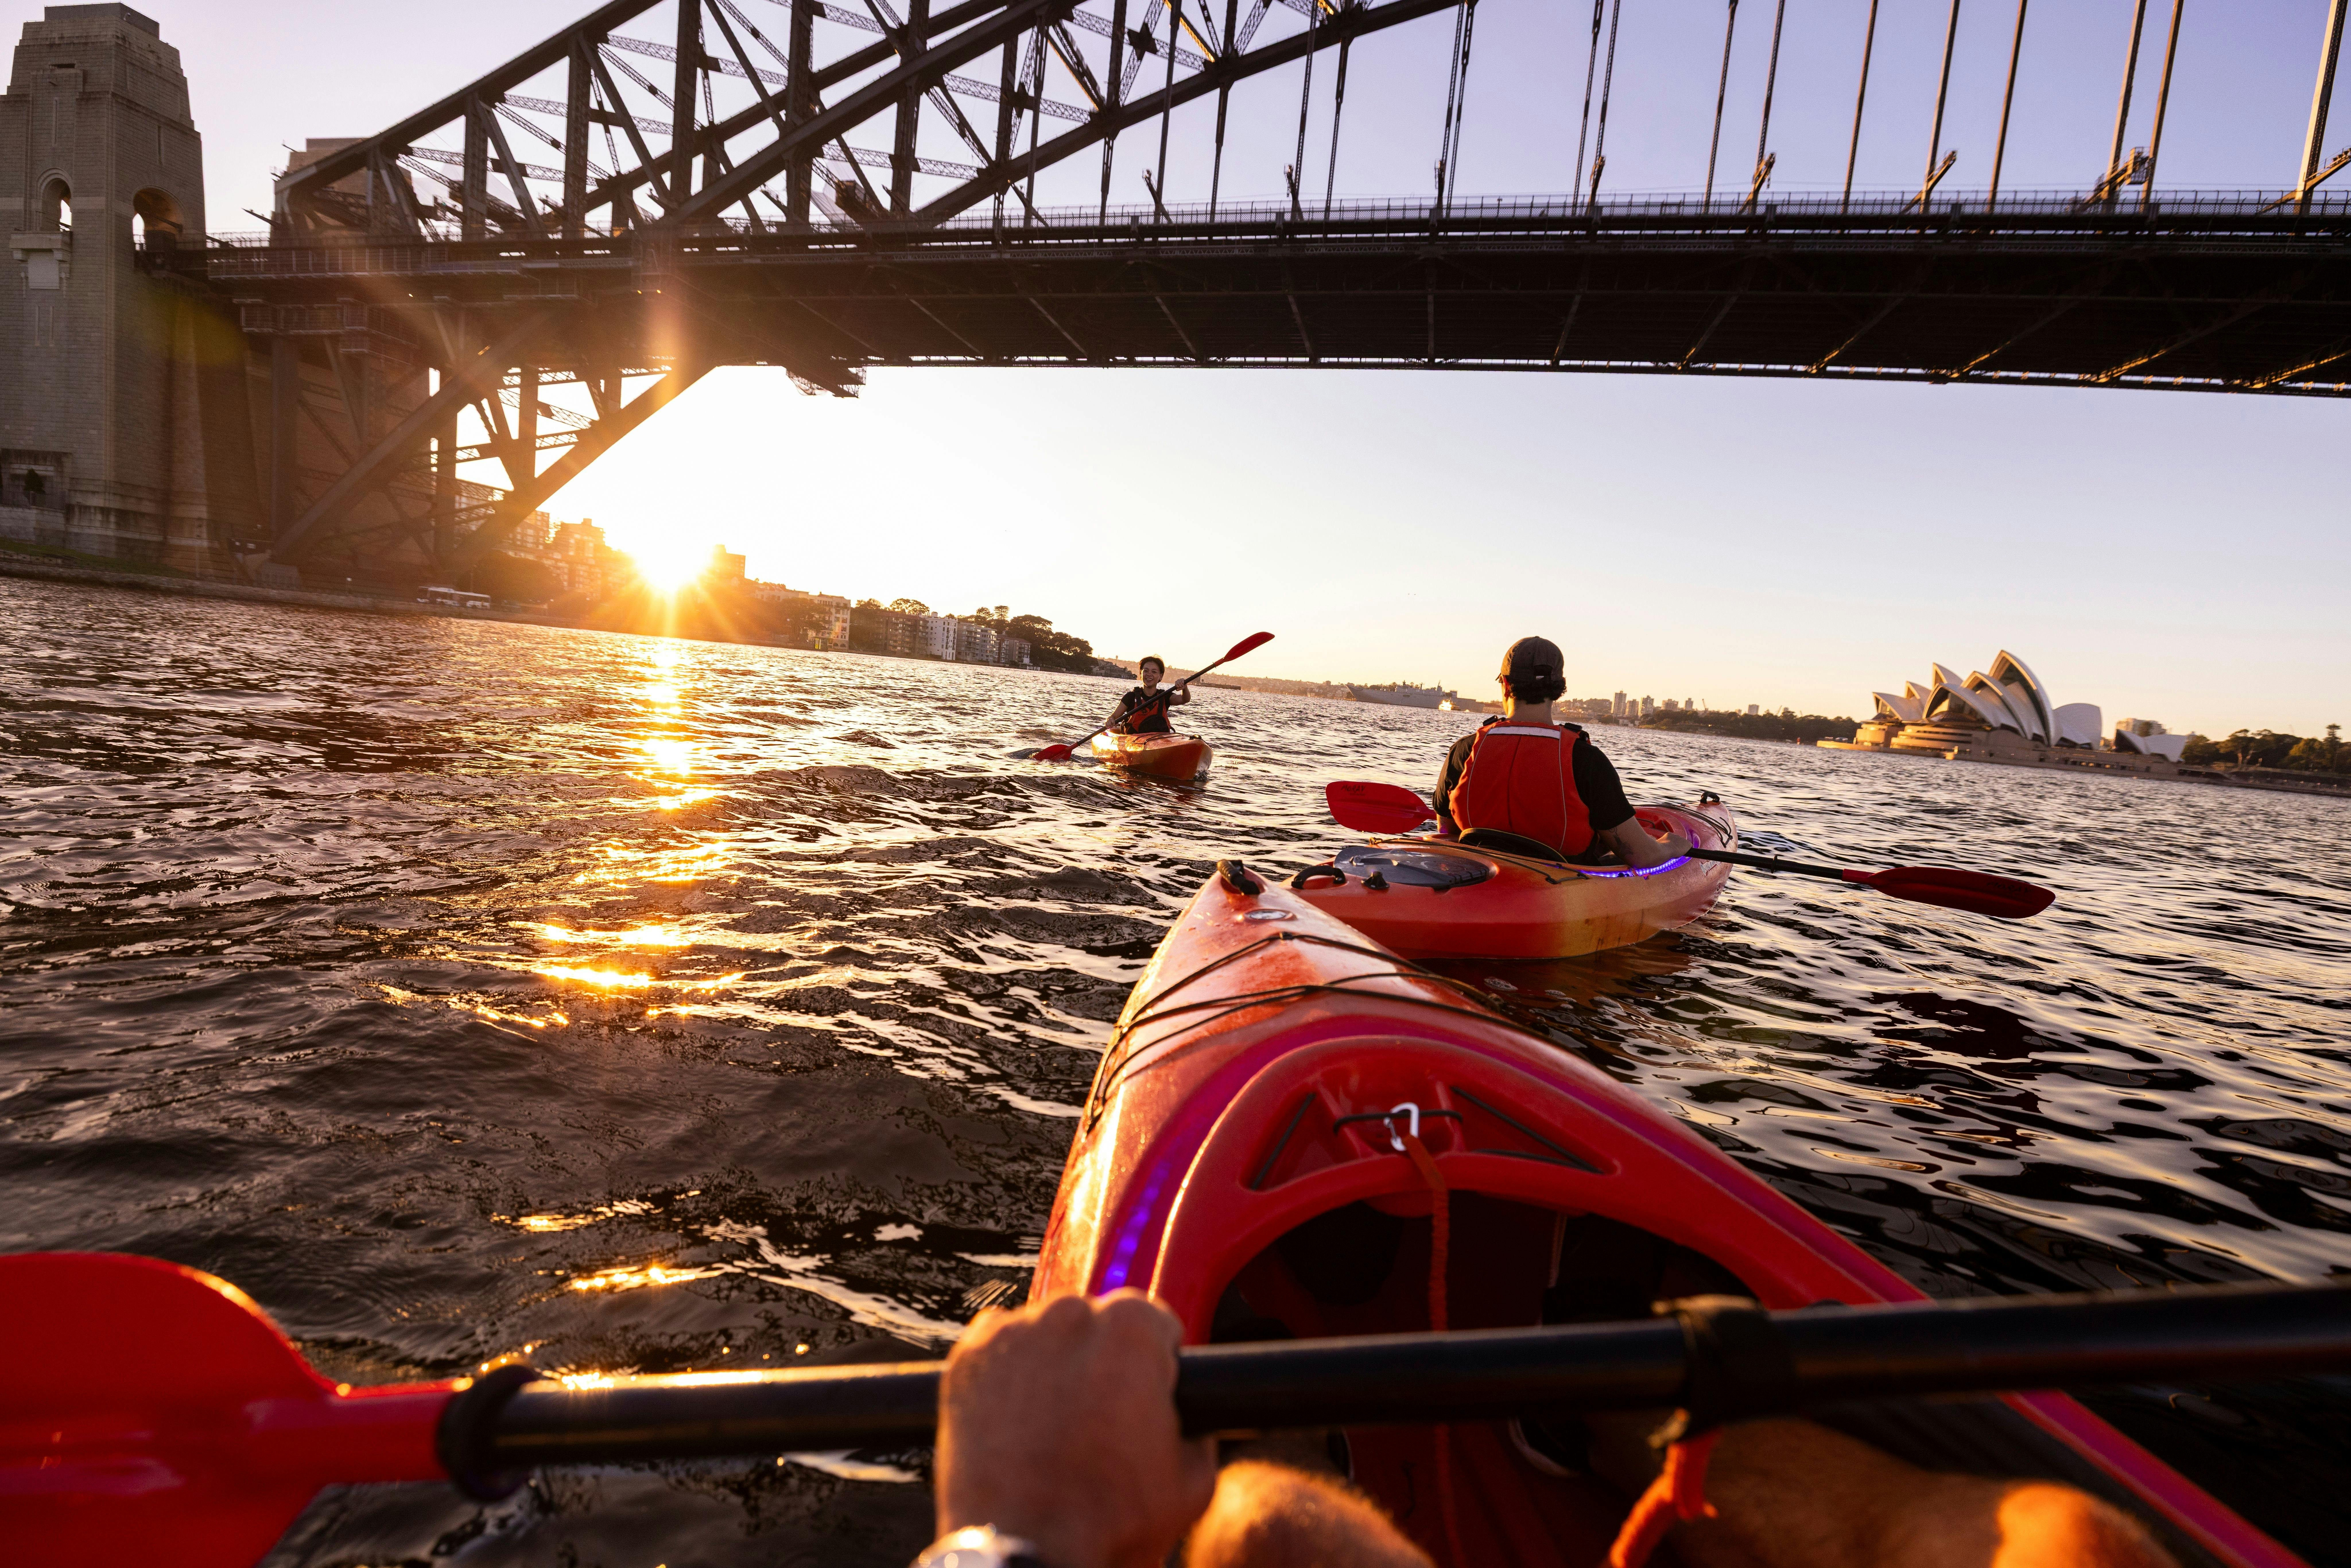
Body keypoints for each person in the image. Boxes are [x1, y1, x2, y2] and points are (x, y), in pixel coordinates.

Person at [915, 1291, 2177, 1568]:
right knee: (2080, 1546)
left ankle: (1227, 1448)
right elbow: (1621, 848)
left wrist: (1017, 1532)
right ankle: (1615, 1416)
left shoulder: (1480, 756)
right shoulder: (1570, 749)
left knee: (1258, 1536)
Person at [1436, 636, 1691, 867]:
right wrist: (1674, 845)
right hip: (1560, 882)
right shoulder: (1586, 759)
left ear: (1505, 684)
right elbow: (1642, 856)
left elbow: (1447, 833)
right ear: (1559, 689)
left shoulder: (1465, 750)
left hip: (1477, 874)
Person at [1095, 657, 1193, 738]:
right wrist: (1110, 720)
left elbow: (1185, 699)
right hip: (1134, 741)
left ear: (1161, 677)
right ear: (1141, 675)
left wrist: (1185, 688)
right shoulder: (1131, 697)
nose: (1149, 674)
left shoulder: (1165, 696)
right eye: (1146, 671)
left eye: (1154, 672)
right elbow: (1114, 717)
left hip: (1159, 741)